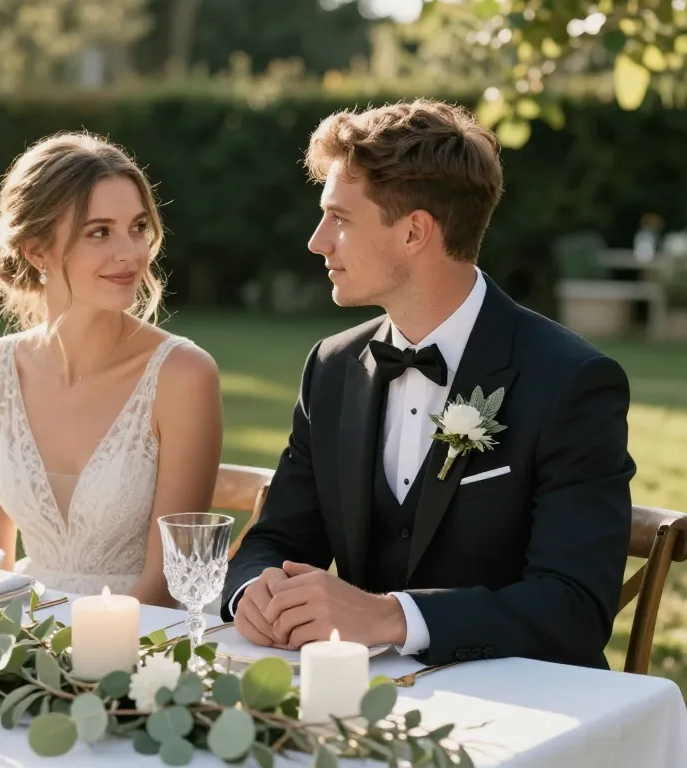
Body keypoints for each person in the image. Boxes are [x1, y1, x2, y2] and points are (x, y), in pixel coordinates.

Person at [222, 99, 635, 670]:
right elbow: (275, 542)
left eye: (339, 218)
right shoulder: (333, 367)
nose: (317, 241)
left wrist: (391, 617)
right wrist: (254, 594)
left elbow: (573, 607)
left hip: (526, 714)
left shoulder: (571, 382)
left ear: (415, 231)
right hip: (353, 707)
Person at [0, 132, 223, 606]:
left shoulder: (183, 375)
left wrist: (83, 662)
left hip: (143, 643)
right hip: (22, 642)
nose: (131, 253)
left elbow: (166, 582)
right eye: (99, 232)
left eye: (138, 227)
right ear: (36, 250)